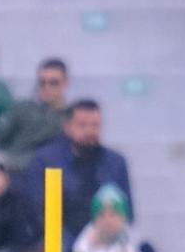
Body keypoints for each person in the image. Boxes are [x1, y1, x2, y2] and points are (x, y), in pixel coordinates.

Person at [20, 99, 131, 237]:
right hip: (56, 243)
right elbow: (36, 209)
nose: (90, 131)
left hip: (105, 244)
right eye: (82, 125)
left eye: (95, 125)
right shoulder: (46, 161)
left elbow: (126, 211)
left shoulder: (115, 162)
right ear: (68, 127)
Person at [0, 58, 70, 173]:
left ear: (66, 83)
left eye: (53, 83)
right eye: (42, 83)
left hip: (49, 174)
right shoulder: (22, 109)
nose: (47, 88)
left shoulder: (72, 117)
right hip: (10, 170)